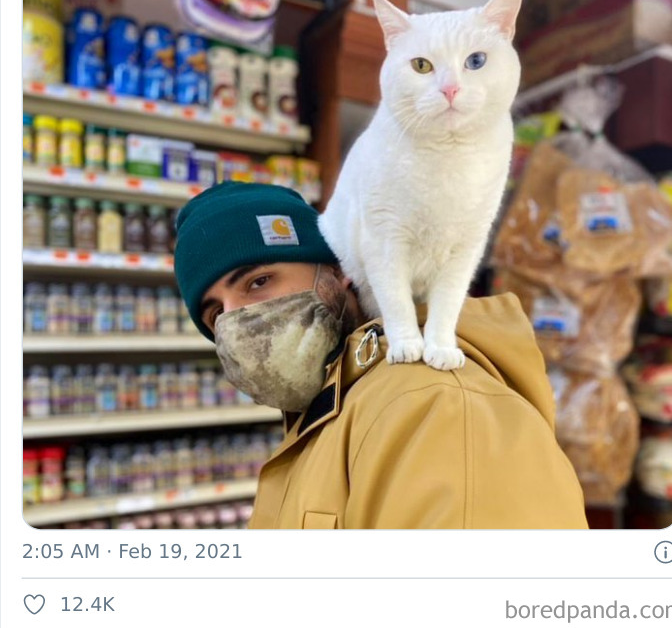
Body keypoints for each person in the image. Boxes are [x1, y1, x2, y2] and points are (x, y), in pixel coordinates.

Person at [174, 181, 589, 529]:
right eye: (216, 314)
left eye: (259, 281)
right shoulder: (326, 416)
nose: (239, 320)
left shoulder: (434, 403)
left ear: (338, 269)